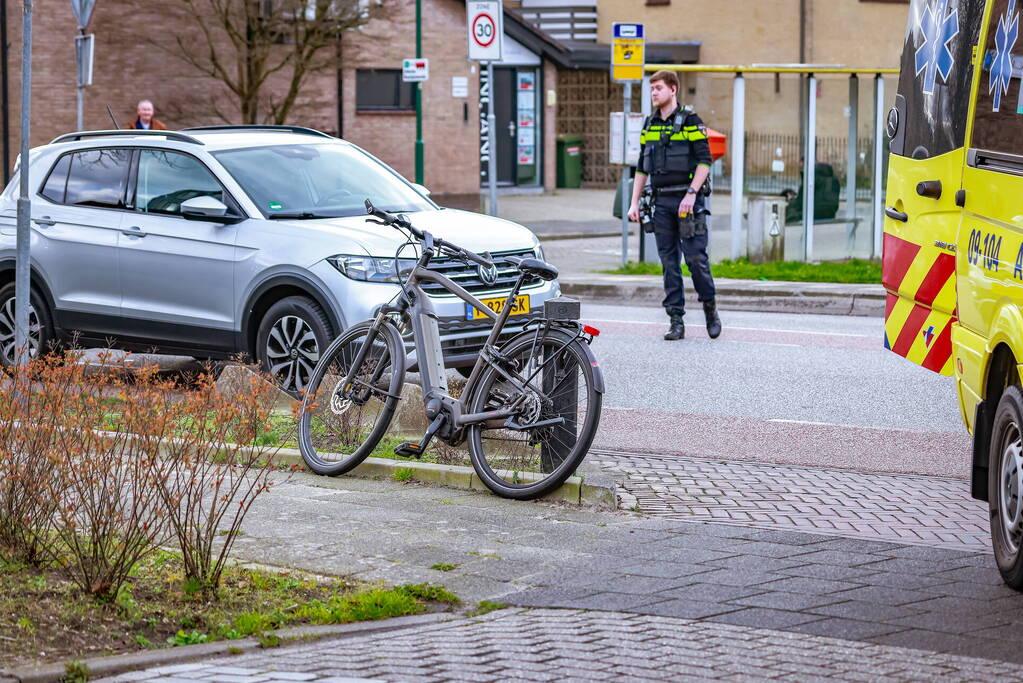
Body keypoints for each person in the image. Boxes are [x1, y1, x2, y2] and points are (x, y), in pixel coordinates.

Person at [628, 70, 721, 341]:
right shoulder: (650, 124)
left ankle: (710, 308)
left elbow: (705, 161)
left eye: (658, 88)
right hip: (662, 202)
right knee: (669, 264)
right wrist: (633, 202)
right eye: (652, 89)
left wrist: (691, 194)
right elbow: (642, 168)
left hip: (688, 201)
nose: (654, 93)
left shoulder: (691, 121)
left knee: (695, 260)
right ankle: (676, 320)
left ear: (673, 90)